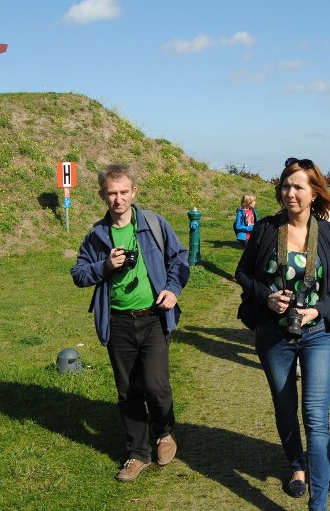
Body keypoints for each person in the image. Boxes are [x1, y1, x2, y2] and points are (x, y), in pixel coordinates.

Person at [235, 157, 330, 511]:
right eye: (286, 186)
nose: (290, 193)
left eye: (298, 186)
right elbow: (242, 274)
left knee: (315, 417)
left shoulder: (328, 233)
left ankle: (319, 503)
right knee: (285, 408)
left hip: (318, 333)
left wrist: (318, 309)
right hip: (273, 333)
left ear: (315, 193)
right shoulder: (267, 228)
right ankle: (297, 466)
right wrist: (266, 297)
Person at [71, 163, 190, 482]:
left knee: (155, 384)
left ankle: (164, 433)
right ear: (101, 195)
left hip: (153, 318)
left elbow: (179, 258)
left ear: (134, 192)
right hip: (119, 322)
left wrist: (173, 289)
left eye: (124, 192)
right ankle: (138, 453)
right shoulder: (98, 234)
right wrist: (105, 265)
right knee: (128, 390)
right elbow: (78, 274)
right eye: (111, 193)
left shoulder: (153, 223)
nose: (118, 199)